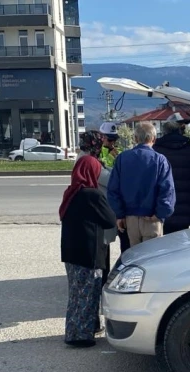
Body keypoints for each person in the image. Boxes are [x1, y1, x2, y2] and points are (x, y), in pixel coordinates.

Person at [59, 155, 117, 348]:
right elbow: (109, 220)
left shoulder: (71, 192)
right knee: (88, 294)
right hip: (89, 252)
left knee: (75, 294)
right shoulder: (93, 195)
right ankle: (81, 336)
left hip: (71, 252)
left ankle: (74, 330)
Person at [107, 122, 176, 247]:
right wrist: (160, 213)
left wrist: (120, 214)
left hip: (129, 219)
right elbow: (167, 191)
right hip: (152, 218)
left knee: (132, 259)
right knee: (151, 260)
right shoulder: (160, 160)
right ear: (154, 139)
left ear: (135, 138)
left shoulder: (122, 159)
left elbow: (113, 190)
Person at [76, 130, 118, 285]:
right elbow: (109, 180)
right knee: (101, 250)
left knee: (102, 249)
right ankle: (101, 282)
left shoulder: (85, 157)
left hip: (92, 209)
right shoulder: (89, 161)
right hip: (98, 210)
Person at [153, 113, 190, 234]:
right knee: (180, 245)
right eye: (183, 126)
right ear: (179, 129)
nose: (185, 129)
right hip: (186, 210)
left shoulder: (156, 151)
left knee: (163, 244)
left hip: (163, 207)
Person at [98, 121, 130, 255]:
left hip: (119, 202)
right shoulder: (97, 153)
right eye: (109, 139)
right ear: (102, 138)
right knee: (104, 242)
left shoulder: (121, 153)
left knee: (125, 240)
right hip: (104, 201)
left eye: (114, 139)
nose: (112, 143)